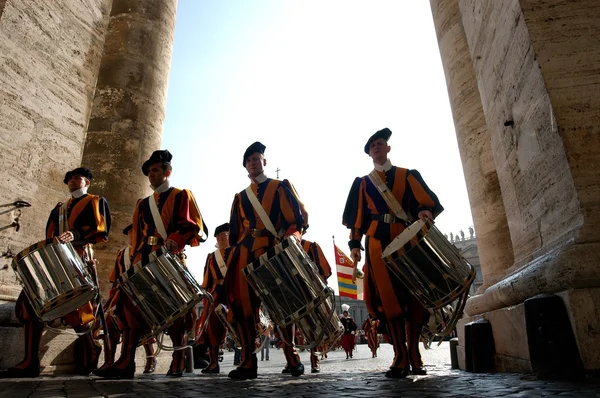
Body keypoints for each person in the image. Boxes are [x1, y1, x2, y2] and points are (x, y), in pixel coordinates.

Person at [96, 149, 208, 379]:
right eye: (149, 172)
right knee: (128, 307)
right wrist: (134, 261)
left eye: (156, 170)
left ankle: (177, 360)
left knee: (175, 310)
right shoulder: (142, 203)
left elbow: (191, 226)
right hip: (143, 259)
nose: (152, 175)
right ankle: (126, 361)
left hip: (169, 258)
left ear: (167, 172)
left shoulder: (181, 195)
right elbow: (137, 235)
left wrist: (174, 242)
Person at [342, 128, 443, 378]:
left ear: (388, 148)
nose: (376, 148)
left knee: (415, 295)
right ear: (369, 154)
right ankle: (399, 354)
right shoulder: (362, 184)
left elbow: (425, 203)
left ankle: (415, 353)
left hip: (407, 238)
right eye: (372, 146)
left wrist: (424, 212)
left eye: (380, 144)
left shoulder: (408, 175)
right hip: (377, 242)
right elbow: (356, 219)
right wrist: (355, 244)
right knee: (389, 299)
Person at [0, 167, 111, 378]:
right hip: (55, 260)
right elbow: (50, 233)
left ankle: (90, 347)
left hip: (77, 258)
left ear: (87, 182)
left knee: (77, 312)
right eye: (70, 179)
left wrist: (75, 234)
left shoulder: (96, 201)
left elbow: (101, 230)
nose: (72, 181)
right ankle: (30, 362)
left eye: (78, 178)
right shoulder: (59, 208)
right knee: (29, 304)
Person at [224, 141, 306, 380]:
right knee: (243, 309)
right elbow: (235, 232)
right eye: (249, 161)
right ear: (245, 167)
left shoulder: (280, 187)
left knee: (282, 305)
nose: (253, 163)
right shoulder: (240, 197)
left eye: (257, 158)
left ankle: (292, 358)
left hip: (272, 250)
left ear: (264, 162)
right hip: (245, 254)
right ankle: (248, 362)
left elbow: (295, 221)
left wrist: (292, 237)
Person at [96, 225, 156, 374]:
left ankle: (148, 358)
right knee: (110, 326)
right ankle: (109, 361)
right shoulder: (121, 254)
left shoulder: (146, 252)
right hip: (121, 294)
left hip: (141, 295)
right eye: (129, 234)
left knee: (137, 327)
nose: (131, 236)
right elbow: (115, 278)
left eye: (134, 233)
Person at [196, 222, 230, 374]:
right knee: (212, 329)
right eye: (219, 236)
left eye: (224, 235)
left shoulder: (237, 252)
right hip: (216, 292)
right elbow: (207, 279)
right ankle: (214, 363)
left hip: (234, 291)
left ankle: (246, 361)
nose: (221, 238)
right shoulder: (211, 257)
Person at [301, 239, 332, 373]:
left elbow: (324, 271)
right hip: (289, 294)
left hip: (309, 293)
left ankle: (315, 360)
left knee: (312, 327)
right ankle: (291, 360)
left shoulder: (310, 247)